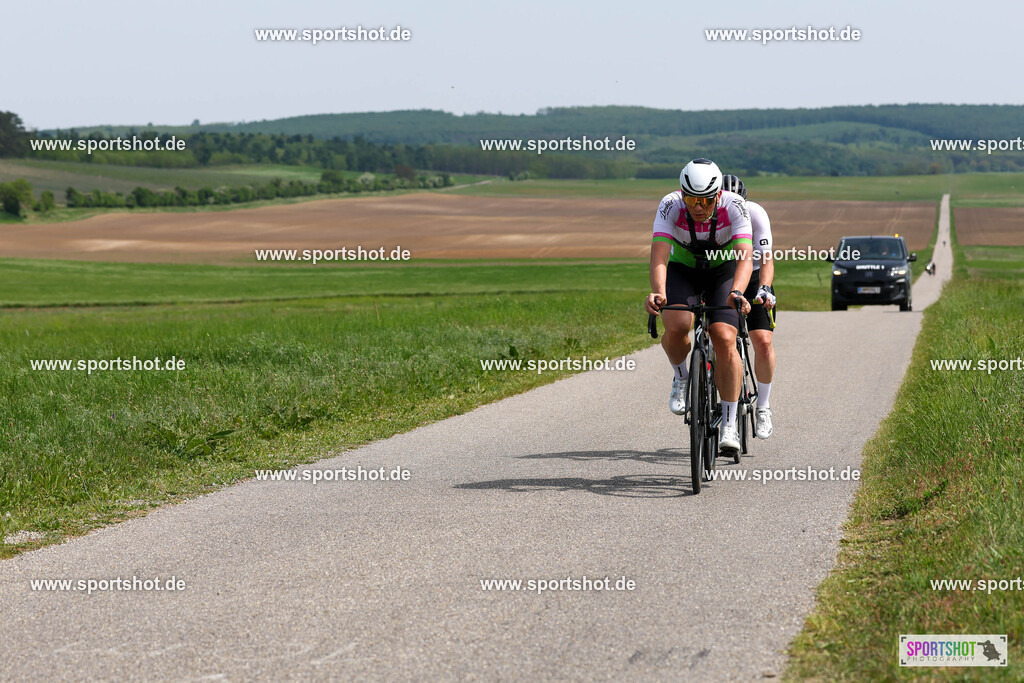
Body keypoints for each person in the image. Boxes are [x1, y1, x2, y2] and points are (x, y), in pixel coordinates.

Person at [645, 158, 753, 453]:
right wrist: (657, 292)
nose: (698, 207)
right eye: (691, 198)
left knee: (724, 336)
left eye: (705, 200)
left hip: (723, 271)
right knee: (677, 324)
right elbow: (659, 256)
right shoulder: (670, 205)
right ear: (682, 194)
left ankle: (730, 422)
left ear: (718, 195)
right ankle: (681, 378)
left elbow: (744, 255)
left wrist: (737, 292)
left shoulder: (734, 206)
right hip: (684, 270)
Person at [721, 174, 775, 439]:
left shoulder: (755, 214)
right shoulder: (712, 215)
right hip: (722, 275)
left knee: (762, 341)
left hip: (752, 276)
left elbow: (767, 258)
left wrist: (764, 287)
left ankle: (763, 407)